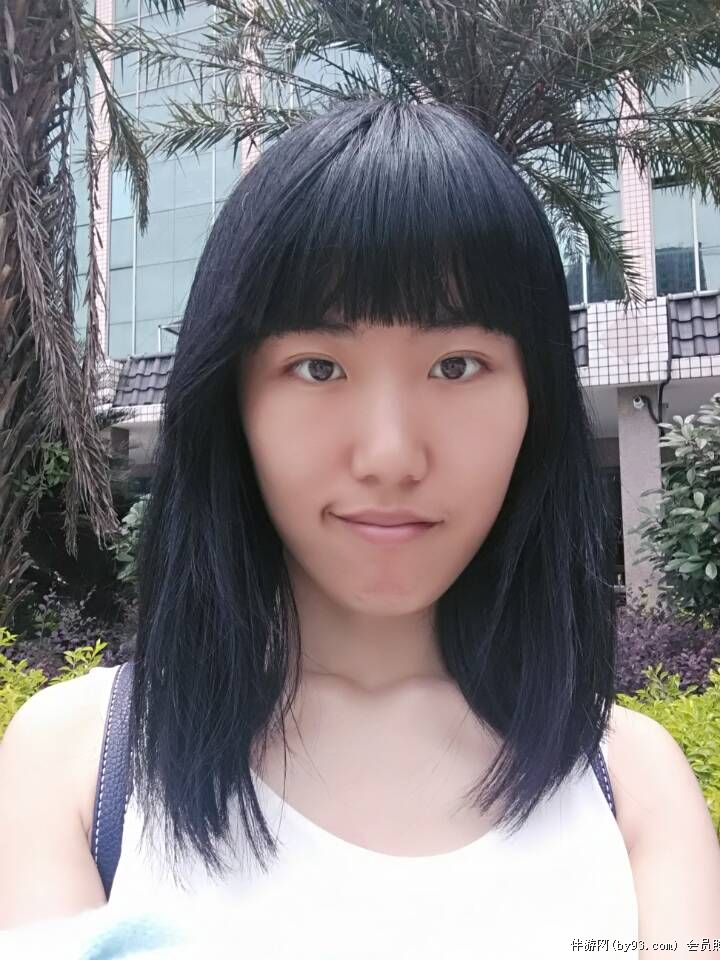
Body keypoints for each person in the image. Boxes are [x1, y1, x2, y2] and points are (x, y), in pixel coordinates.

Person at [0, 97, 718, 958]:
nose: (389, 456)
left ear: (537, 403)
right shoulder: (80, 765)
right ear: (232, 403)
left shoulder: (631, 788)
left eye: (457, 365)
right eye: (318, 367)